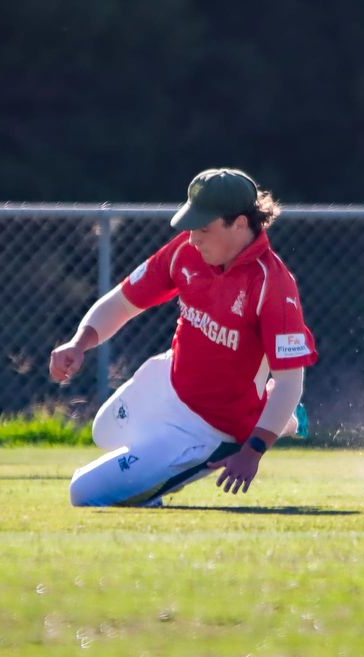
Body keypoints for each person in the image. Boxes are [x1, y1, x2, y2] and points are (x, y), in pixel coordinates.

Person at [50, 168, 318, 507]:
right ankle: (280, 418)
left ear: (239, 224)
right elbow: (122, 301)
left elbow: (290, 381)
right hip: (167, 380)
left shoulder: (273, 285)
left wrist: (253, 450)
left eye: (204, 228)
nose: (194, 239)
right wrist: (79, 342)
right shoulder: (187, 252)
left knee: (84, 493)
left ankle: (261, 425)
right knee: (103, 431)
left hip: (212, 424)